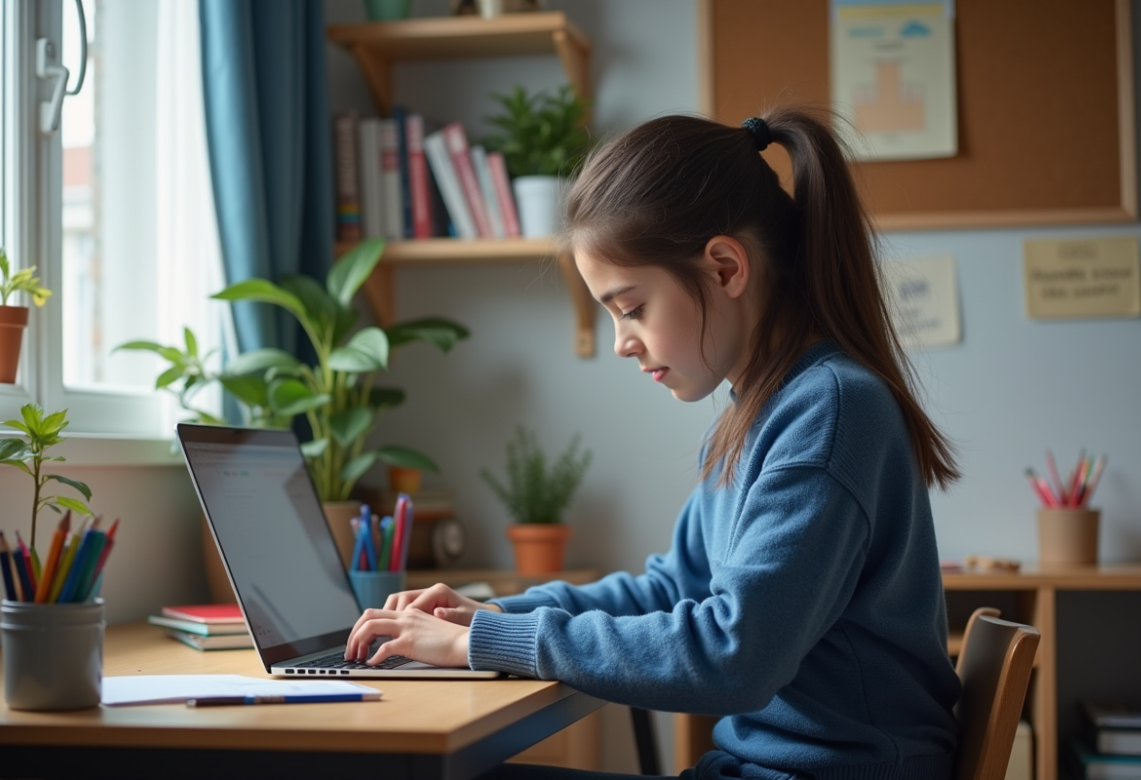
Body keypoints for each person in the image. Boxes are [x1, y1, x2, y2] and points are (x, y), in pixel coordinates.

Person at [345, 106, 962, 780]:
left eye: (632, 308)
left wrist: (491, 640)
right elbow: (672, 589)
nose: (622, 343)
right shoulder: (756, 415)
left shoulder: (829, 412)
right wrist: (490, 616)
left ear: (725, 268)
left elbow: (733, 656)